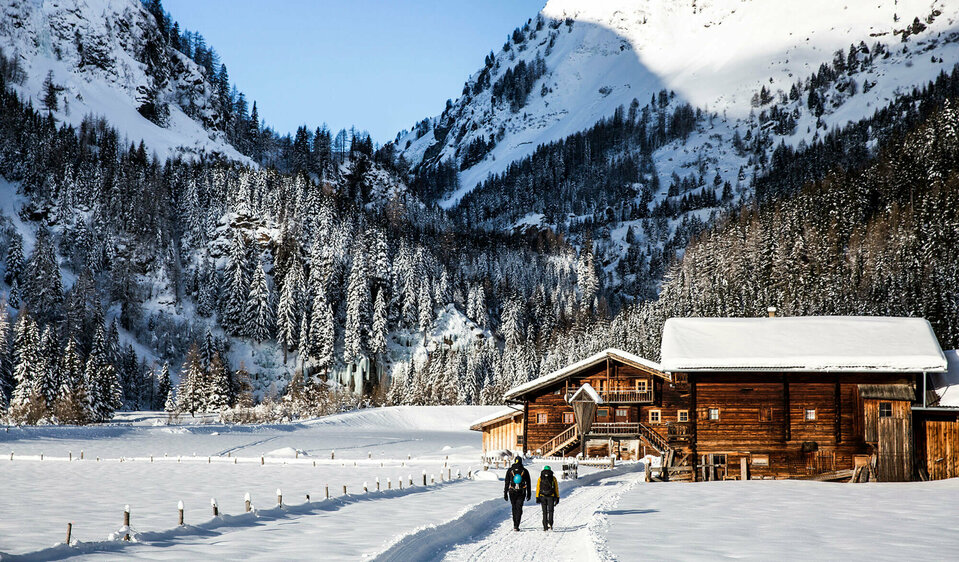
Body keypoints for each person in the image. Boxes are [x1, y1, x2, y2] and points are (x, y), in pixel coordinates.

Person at [503, 455, 531, 531]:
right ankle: (517, 525)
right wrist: (529, 493)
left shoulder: (510, 470)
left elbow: (507, 482)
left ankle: (514, 523)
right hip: (521, 492)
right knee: (519, 508)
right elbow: (528, 483)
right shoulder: (525, 471)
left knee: (514, 507)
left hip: (512, 491)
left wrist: (505, 493)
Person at [536, 465, 560, 531]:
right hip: (551, 496)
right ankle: (550, 523)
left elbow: (538, 487)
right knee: (551, 510)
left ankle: (545, 526)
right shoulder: (553, 478)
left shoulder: (540, 478)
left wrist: (537, 496)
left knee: (544, 511)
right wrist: (557, 497)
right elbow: (556, 488)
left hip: (542, 496)